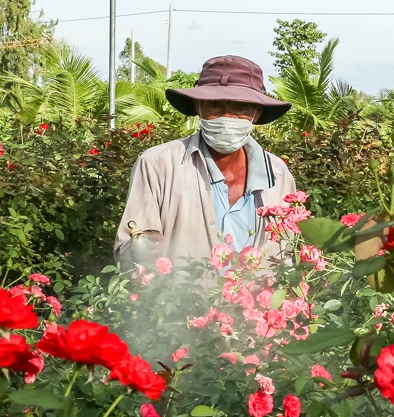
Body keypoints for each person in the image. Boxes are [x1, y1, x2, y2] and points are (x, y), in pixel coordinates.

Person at [115, 54, 299, 269]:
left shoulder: (277, 174)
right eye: (214, 105)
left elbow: (288, 248)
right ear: (199, 107)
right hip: (181, 300)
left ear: (256, 114)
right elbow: (132, 248)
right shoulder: (158, 164)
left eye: (241, 108)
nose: (226, 117)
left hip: (260, 299)